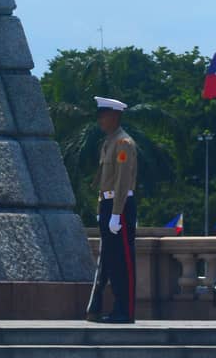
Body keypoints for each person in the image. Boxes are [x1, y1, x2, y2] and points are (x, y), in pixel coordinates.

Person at [86, 95, 138, 324]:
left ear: (115, 116)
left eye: (103, 116)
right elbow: (105, 180)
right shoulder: (109, 142)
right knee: (109, 259)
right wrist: (103, 208)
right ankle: (113, 308)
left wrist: (116, 213)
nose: (100, 121)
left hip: (121, 206)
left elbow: (122, 181)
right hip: (109, 204)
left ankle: (124, 311)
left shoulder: (123, 143)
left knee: (122, 261)